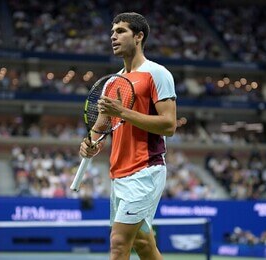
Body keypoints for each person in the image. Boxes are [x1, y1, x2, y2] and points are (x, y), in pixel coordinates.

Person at [79, 12, 177, 260]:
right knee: (143, 243)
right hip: (119, 172)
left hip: (146, 169)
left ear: (138, 36)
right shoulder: (113, 82)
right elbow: (101, 127)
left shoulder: (158, 74)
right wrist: (90, 143)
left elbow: (169, 125)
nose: (113, 36)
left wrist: (122, 111)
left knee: (119, 242)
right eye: (112, 32)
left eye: (120, 31)